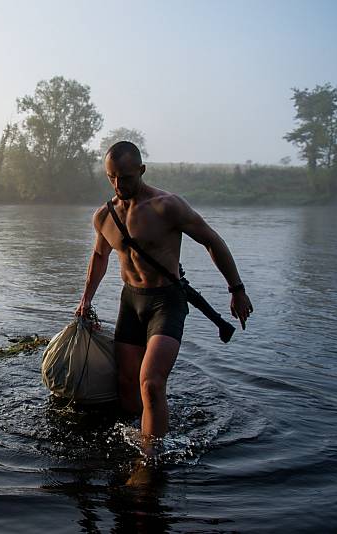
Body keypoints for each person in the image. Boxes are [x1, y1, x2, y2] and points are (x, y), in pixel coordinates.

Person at [74, 141, 253, 453]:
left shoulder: (166, 206)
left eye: (126, 177)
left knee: (152, 382)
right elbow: (100, 256)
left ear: (142, 170)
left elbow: (211, 241)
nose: (118, 184)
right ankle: (137, 436)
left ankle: (150, 461)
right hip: (131, 302)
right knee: (128, 386)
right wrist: (86, 299)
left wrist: (236, 290)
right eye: (111, 177)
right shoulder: (104, 216)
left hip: (166, 303)